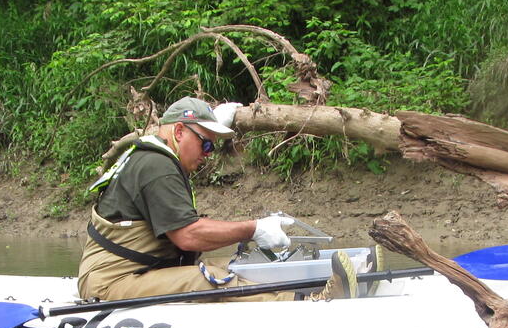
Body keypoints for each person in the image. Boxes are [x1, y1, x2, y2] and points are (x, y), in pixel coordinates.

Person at [77, 96, 360, 303]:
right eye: (206, 143)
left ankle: (316, 287)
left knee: (238, 262)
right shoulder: (155, 166)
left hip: (146, 270)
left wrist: (208, 127)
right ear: (178, 132)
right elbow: (188, 236)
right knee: (207, 279)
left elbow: (184, 227)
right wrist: (255, 228)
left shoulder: (159, 158)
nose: (208, 153)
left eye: (213, 145)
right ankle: (306, 304)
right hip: (112, 282)